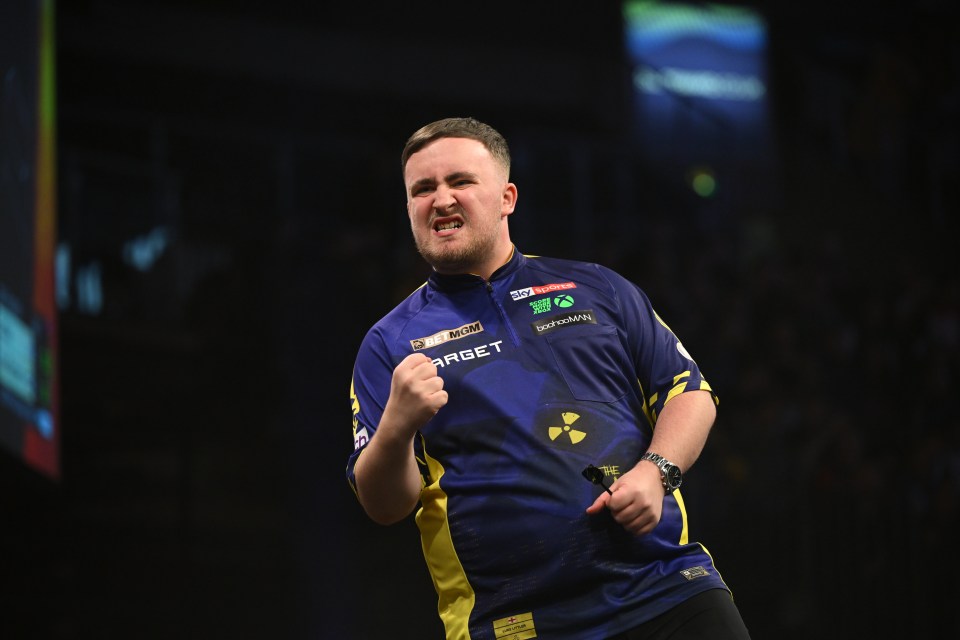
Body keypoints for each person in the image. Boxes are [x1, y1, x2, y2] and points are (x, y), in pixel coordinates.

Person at [347, 117, 750, 640]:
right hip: (519, 621)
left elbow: (689, 392)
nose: (440, 200)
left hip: (668, 589)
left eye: (460, 182)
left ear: (507, 197)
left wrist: (656, 471)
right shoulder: (389, 342)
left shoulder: (598, 287)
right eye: (422, 189)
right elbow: (383, 505)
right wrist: (397, 426)